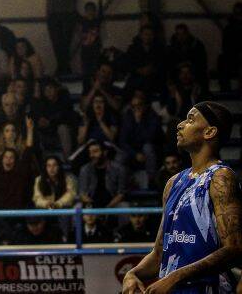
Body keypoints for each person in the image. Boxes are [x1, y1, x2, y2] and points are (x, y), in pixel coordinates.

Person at [122, 102, 242, 294]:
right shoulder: (173, 182)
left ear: (209, 132)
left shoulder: (220, 177)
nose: (180, 124)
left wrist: (175, 276)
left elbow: (234, 248)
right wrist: (132, 274)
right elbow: (159, 253)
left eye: (190, 119)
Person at [44, 0, 78, 75]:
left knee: (65, 44)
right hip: (53, 16)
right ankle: (64, 69)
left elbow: (72, 0)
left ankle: (62, 69)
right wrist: (48, 14)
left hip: (67, 16)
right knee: (56, 44)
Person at [78, 140, 127, 208]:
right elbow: (82, 194)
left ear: (105, 152)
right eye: (90, 153)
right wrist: (93, 207)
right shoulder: (85, 169)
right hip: (92, 203)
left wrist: (107, 208)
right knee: (77, 207)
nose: (91, 155)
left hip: (113, 203)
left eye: (95, 152)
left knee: (124, 206)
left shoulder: (119, 169)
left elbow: (121, 194)